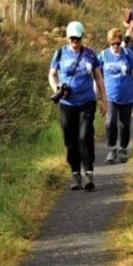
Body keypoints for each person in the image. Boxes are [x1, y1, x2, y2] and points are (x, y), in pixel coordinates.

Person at [48, 21, 107, 191]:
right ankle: (75, 173)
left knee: (85, 136)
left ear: (82, 37)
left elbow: (99, 78)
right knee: (70, 139)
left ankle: (88, 172)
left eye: (77, 39)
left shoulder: (90, 54)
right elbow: (52, 75)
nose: (75, 42)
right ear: (68, 38)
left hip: (87, 101)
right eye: (72, 39)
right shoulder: (60, 53)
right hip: (67, 103)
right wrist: (57, 88)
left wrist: (104, 100)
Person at [98, 28, 133, 164]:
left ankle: (123, 148)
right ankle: (112, 148)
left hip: (127, 95)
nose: (115, 46)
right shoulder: (103, 55)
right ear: (109, 43)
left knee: (125, 124)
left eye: (118, 43)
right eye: (112, 43)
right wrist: (98, 94)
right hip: (110, 96)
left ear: (121, 42)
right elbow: (96, 74)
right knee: (110, 122)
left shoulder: (128, 53)